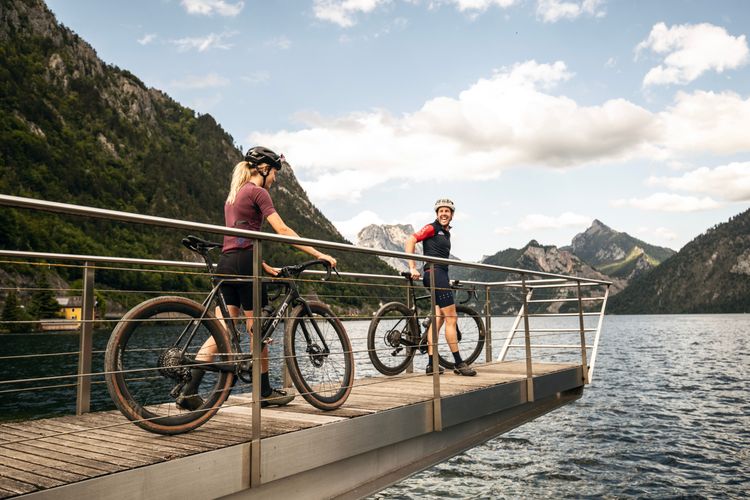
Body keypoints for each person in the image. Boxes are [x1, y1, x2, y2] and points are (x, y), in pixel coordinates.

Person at [177, 146, 338, 410]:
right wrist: (319, 253)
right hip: (244, 266)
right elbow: (282, 229)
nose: (274, 179)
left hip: (228, 264)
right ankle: (263, 392)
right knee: (258, 329)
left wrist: (262, 263)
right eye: (275, 172)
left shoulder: (234, 195)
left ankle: (190, 389)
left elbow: (237, 236)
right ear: (264, 169)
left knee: (223, 331)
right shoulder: (258, 192)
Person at [405, 198, 477, 376]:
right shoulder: (431, 228)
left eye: (447, 211)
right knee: (451, 319)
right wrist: (412, 267)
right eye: (441, 211)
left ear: (452, 215)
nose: (444, 214)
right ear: (437, 214)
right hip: (435, 274)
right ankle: (459, 364)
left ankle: (432, 365)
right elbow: (411, 240)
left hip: (439, 275)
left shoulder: (446, 233)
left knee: (438, 320)